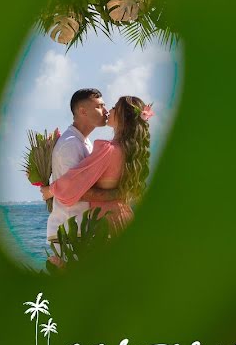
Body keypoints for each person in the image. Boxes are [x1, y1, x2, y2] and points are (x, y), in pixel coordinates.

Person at [42, 95, 153, 235]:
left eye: (113, 108)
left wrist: (50, 190)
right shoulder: (129, 150)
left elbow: (74, 184)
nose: (108, 111)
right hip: (123, 216)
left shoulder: (109, 149)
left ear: (122, 117)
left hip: (106, 221)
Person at [43, 88, 120, 246]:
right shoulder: (70, 144)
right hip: (69, 231)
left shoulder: (84, 142)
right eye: (99, 106)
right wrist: (118, 194)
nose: (106, 111)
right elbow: (76, 192)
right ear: (83, 111)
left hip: (79, 229)